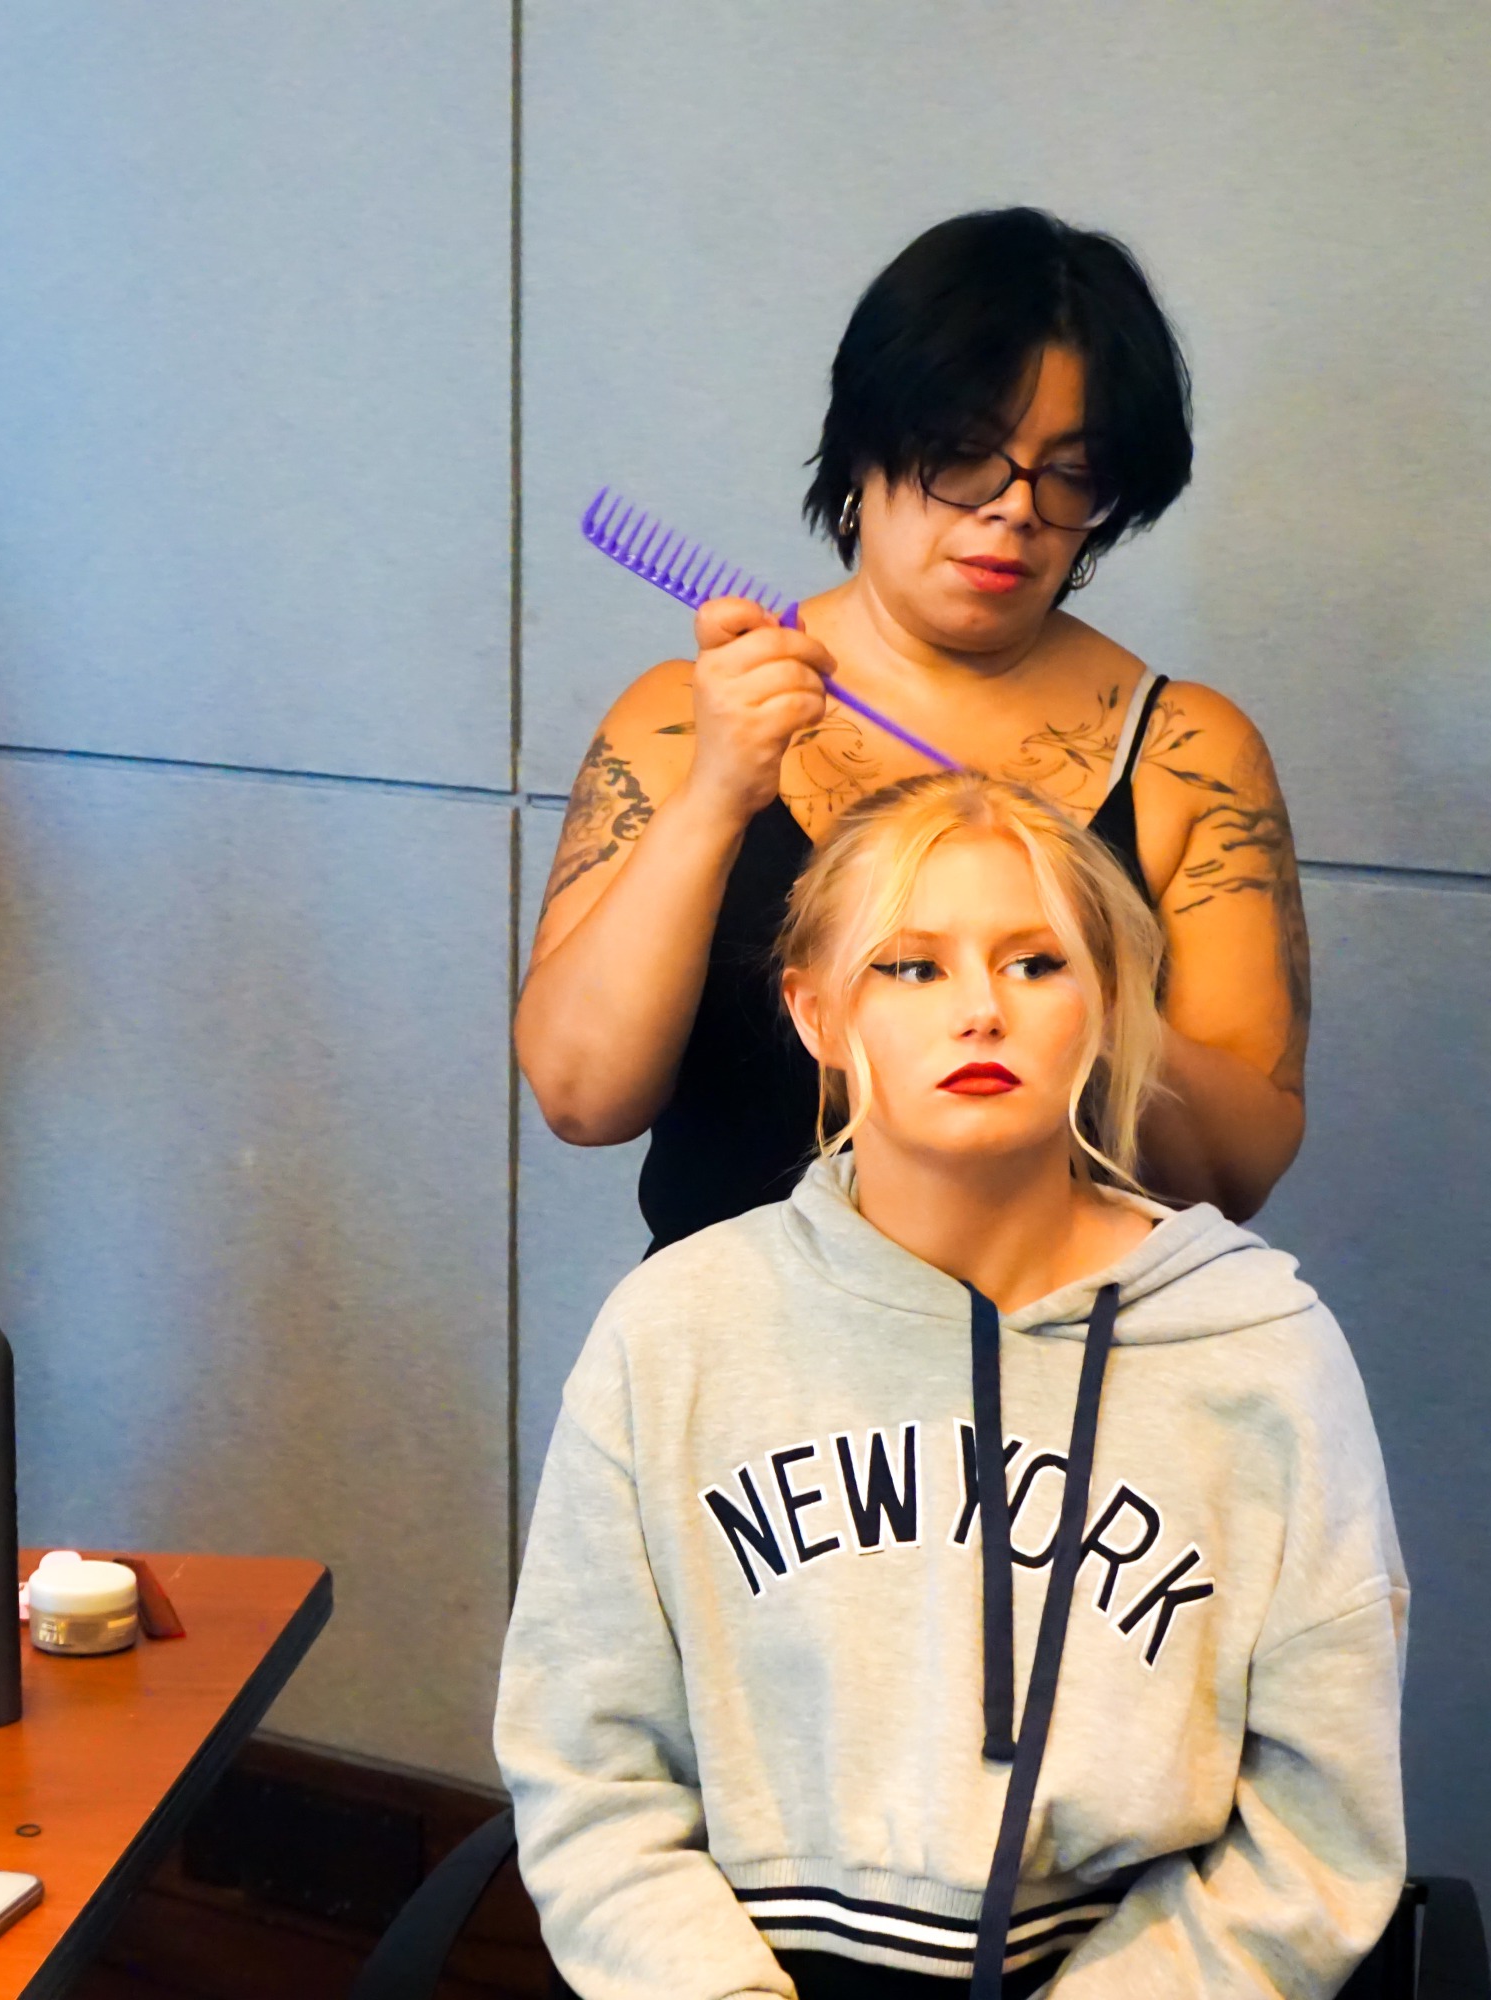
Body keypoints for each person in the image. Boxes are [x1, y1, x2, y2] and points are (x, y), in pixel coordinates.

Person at [495, 772, 1404, 2000]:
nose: (980, 1008)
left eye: (1037, 962)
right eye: (911, 967)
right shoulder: (679, 1330)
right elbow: (589, 1768)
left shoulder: (1263, 1351)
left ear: (1107, 1003)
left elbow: (1314, 1831)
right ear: (816, 1012)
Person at [516, 209, 1309, 1254]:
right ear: (863, 450)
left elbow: (1232, 1172)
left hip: (1055, 1380)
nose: (1015, 510)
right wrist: (714, 796)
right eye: (966, 456)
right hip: (745, 1374)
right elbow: (582, 1098)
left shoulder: (1186, 756)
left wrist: (1071, 975)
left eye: (1070, 472)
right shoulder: (680, 719)